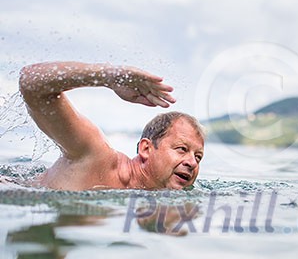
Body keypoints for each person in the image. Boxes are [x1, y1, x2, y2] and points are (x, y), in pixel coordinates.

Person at [18, 61, 205, 191]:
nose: (192, 163)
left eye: (198, 157)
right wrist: (108, 77)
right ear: (146, 149)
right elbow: (31, 82)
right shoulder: (95, 156)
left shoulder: (153, 198)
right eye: (182, 149)